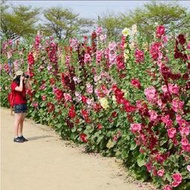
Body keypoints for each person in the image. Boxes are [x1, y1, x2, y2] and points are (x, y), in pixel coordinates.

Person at [11, 70, 31, 143]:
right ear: (18, 77)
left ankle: (20, 135)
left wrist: (27, 80)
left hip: (23, 103)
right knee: (17, 120)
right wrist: (21, 81)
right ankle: (15, 136)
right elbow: (20, 89)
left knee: (22, 120)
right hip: (18, 103)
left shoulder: (22, 83)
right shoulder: (13, 84)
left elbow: (29, 88)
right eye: (22, 76)